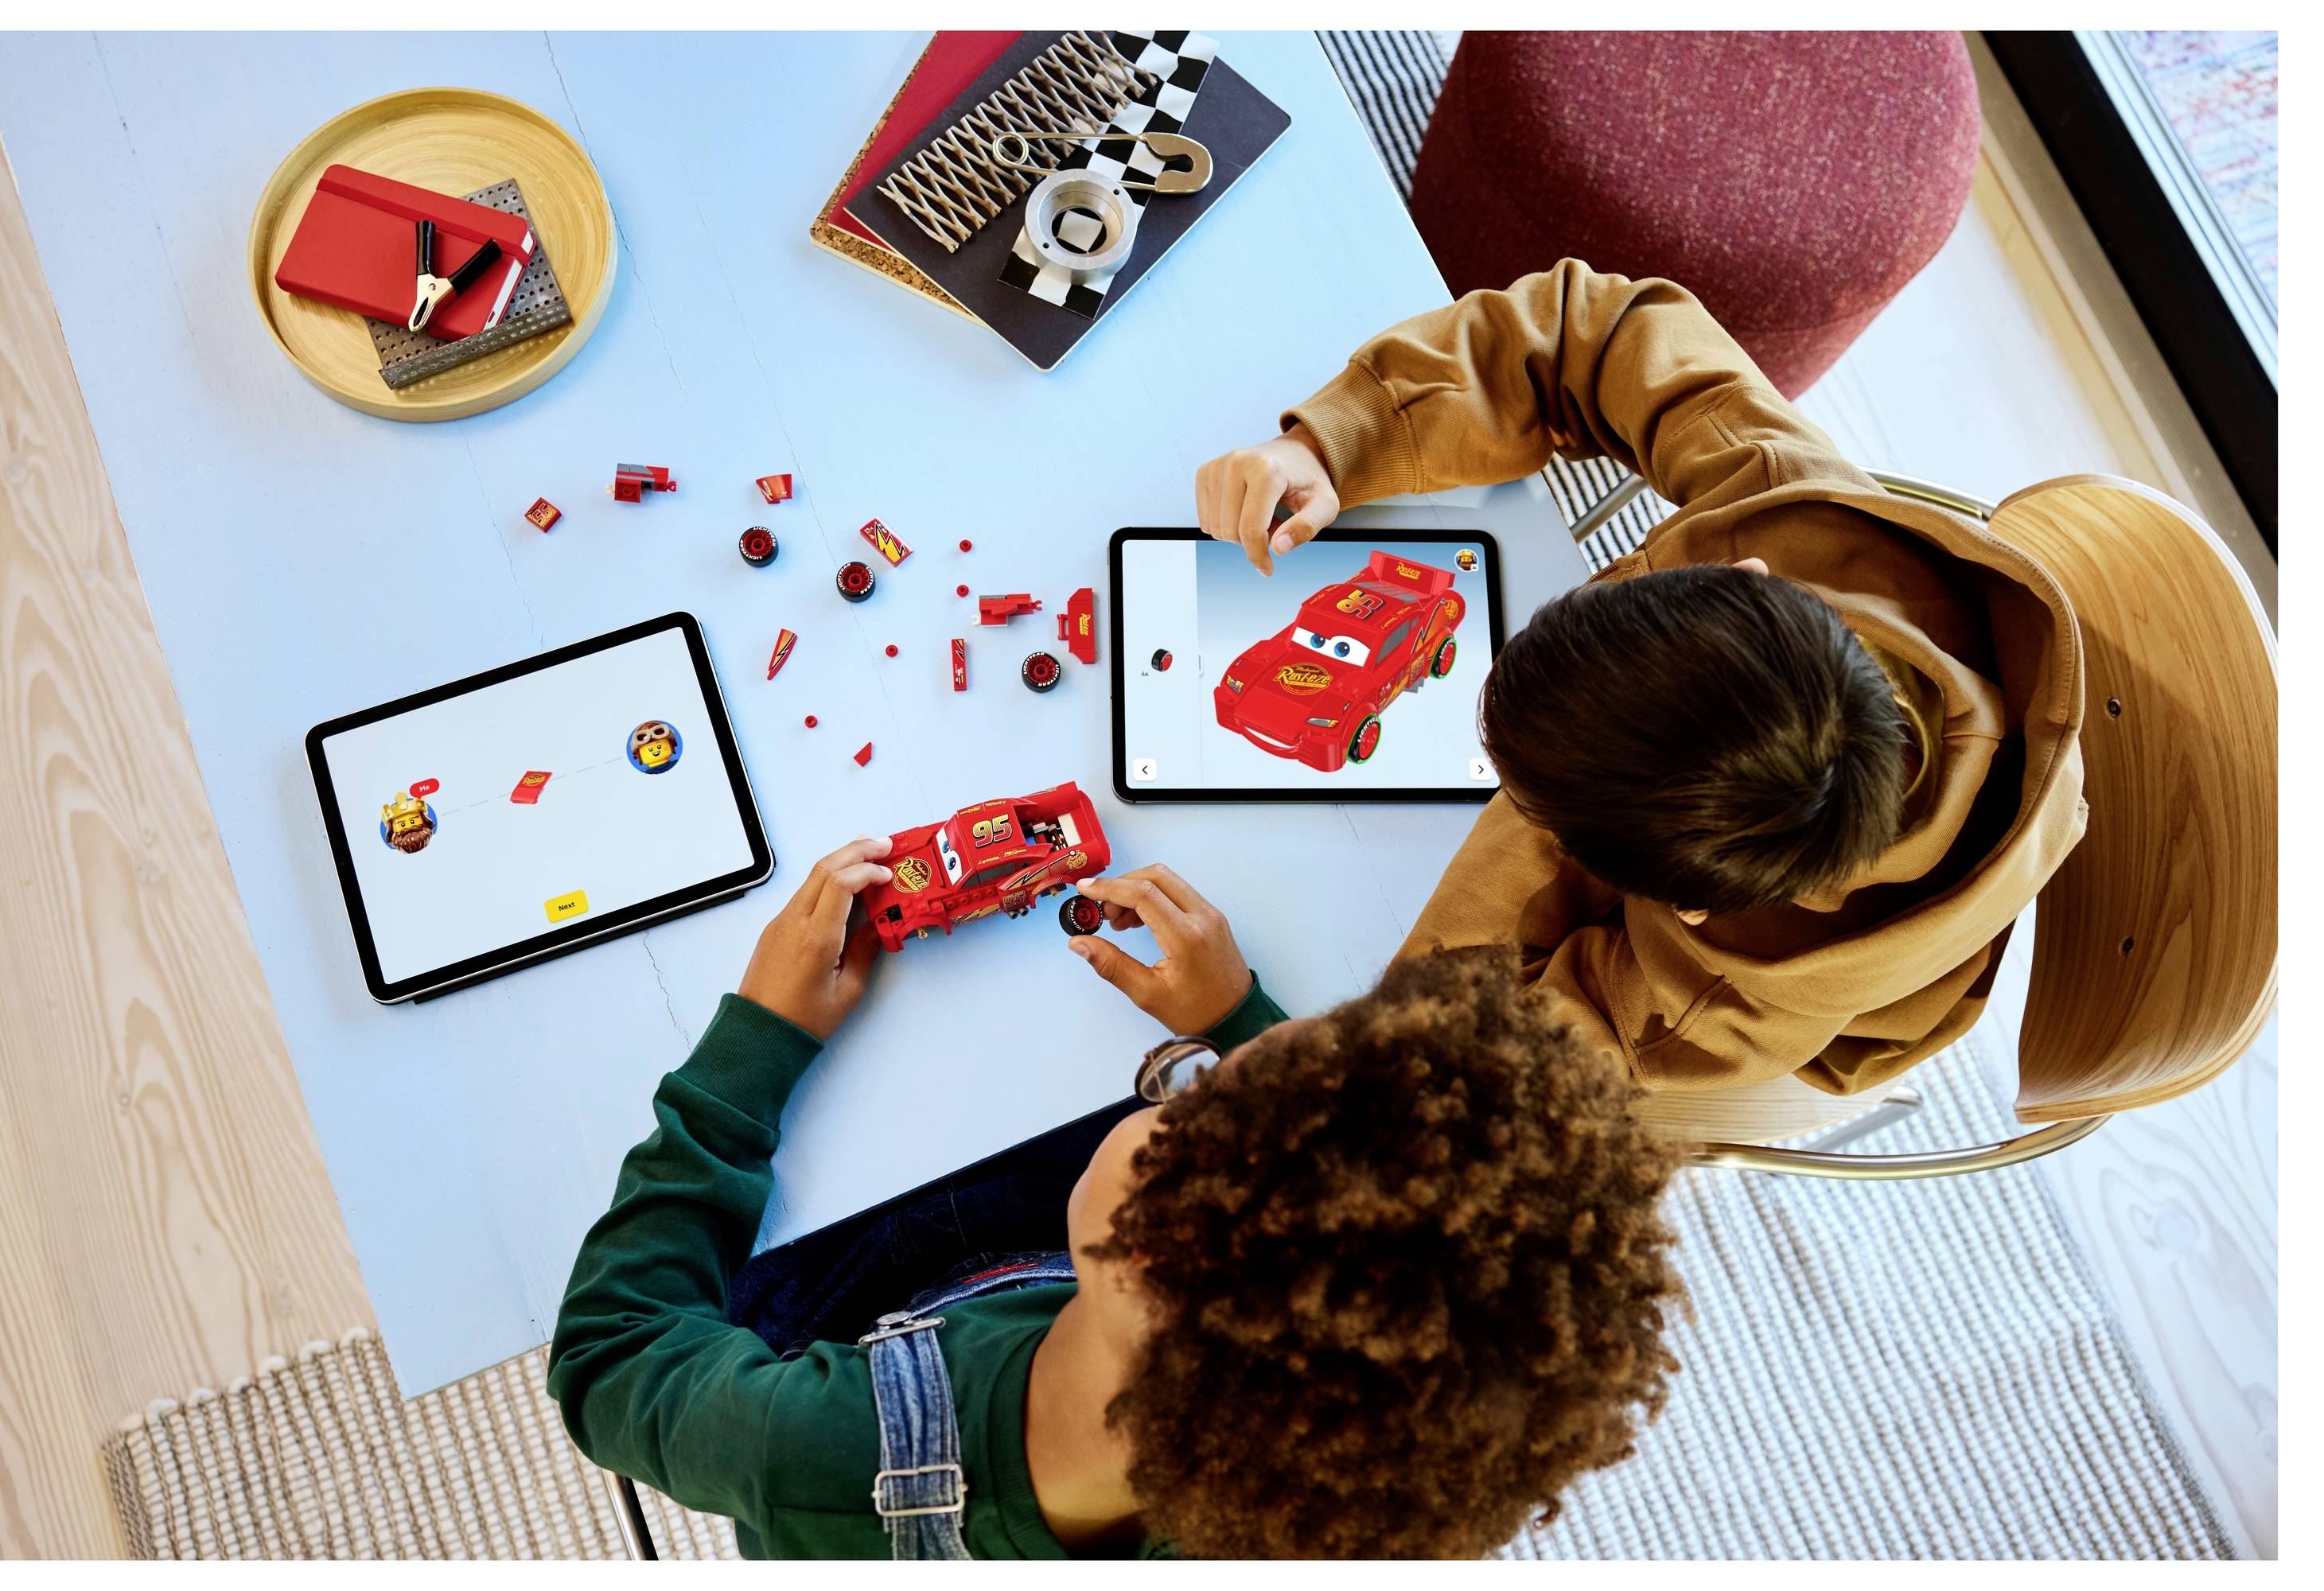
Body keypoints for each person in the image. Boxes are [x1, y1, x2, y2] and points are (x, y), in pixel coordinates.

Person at [548, 838, 1683, 1559]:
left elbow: (608, 1357)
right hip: (1042, 1303)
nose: (1203, 1071)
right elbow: (1381, 1227)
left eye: (1189, 1099)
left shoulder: (823, 1455)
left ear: (1140, 1255)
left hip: (855, 1343)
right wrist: (1238, 1018)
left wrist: (755, 1048)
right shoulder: (1314, 1482)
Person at [1193, 259, 2087, 1097]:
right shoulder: (1785, 514)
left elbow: (1441, 1089)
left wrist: (1237, 1019)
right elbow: (1606, 331)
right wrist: (1341, 440)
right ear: (1748, 577)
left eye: (1535, 805)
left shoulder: (1722, 997)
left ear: (1680, 907)